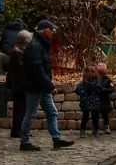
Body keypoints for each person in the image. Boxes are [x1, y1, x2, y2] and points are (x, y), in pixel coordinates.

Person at [19, 20, 74, 151]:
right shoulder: (35, 47)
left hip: (42, 86)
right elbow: (37, 70)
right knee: (31, 114)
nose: (53, 32)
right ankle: (24, 142)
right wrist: (50, 86)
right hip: (35, 86)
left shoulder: (41, 45)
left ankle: (56, 138)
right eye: (52, 30)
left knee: (52, 111)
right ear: (45, 31)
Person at [5, 30, 32, 139]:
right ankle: (17, 130)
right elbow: (21, 69)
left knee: (21, 108)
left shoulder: (18, 51)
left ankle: (19, 129)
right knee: (19, 109)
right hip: (18, 85)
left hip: (18, 84)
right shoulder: (17, 52)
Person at [74, 65, 107, 137]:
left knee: (85, 118)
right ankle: (96, 131)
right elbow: (100, 90)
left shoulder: (82, 84)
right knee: (95, 118)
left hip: (85, 103)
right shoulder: (96, 83)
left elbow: (77, 91)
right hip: (95, 103)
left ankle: (82, 132)